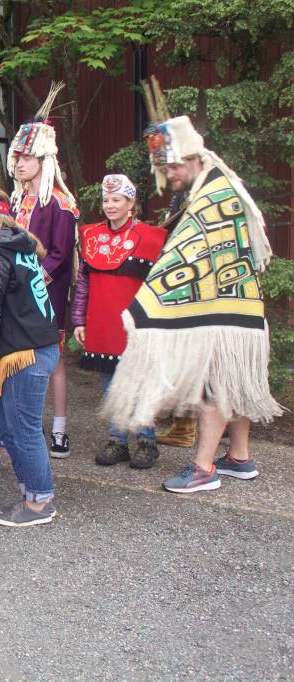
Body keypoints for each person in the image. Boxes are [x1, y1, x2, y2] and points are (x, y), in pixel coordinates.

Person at [104, 88, 282, 494]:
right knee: (232, 380)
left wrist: (145, 305)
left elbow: (188, 255)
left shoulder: (212, 195)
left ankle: (203, 469)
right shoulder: (213, 187)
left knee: (215, 386)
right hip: (236, 308)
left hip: (223, 310)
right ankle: (239, 458)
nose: (168, 177)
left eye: (170, 168)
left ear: (189, 157)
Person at [0, 186, 61, 527]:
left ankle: (40, 503)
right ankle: (31, 493)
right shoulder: (17, 244)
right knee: (8, 426)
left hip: (24, 354)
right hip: (35, 348)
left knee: (22, 429)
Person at [72, 175, 168, 468]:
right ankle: (118, 440)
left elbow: (160, 286)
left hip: (137, 324)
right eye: (106, 200)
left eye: (116, 200)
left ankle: (147, 441)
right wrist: (78, 319)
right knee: (110, 385)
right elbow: (83, 283)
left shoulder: (152, 237)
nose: (110, 205)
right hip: (101, 322)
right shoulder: (90, 235)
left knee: (140, 384)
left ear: (131, 203)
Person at [7, 83, 79, 458]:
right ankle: (26, 425)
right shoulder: (17, 200)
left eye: (28, 158)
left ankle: (60, 429)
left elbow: (59, 256)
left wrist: (29, 281)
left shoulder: (60, 204)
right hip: (15, 291)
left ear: (44, 160)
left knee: (53, 360)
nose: (21, 163)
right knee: (20, 357)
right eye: (17, 157)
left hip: (45, 293)